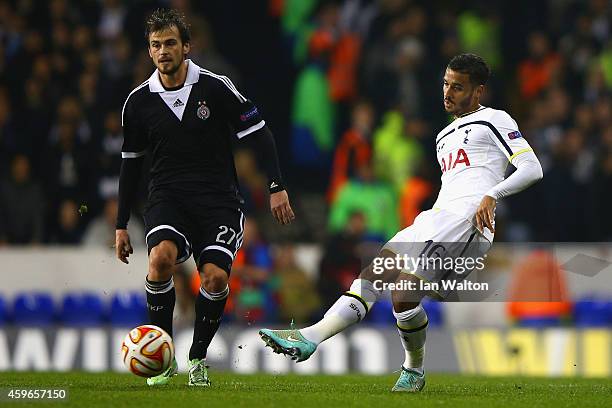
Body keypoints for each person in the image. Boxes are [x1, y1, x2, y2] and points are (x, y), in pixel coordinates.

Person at [259, 53, 543, 392]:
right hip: (436, 218)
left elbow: (531, 168)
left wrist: (493, 195)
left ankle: (411, 369)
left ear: (478, 91)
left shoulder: (494, 119)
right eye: (446, 84)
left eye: (458, 87)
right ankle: (311, 337)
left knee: (403, 291)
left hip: (467, 223)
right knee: (377, 275)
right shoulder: (442, 137)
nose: (448, 93)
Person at [115, 9, 294, 387]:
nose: (163, 51)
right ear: (149, 52)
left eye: (169, 43)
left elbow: (261, 133)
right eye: (155, 45)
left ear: (186, 47)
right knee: (160, 257)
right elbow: (130, 165)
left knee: (212, 278)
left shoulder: (216, 87)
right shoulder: (138, 102)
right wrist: (120, 224)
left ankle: (197, 358)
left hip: (218, 201)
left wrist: (276, 187)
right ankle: (163, 358)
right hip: (167, 197)